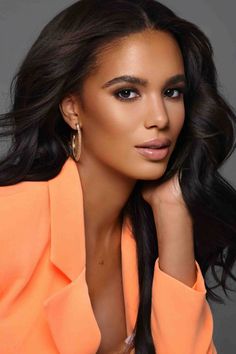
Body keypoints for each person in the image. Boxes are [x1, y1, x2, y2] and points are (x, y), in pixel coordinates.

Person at [0, 0, 236, 353]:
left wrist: (172, 210)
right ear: (72, 108)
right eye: (127, 93)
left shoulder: (147, 234)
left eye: (172, 92)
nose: (160, 117)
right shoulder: (11, 218)